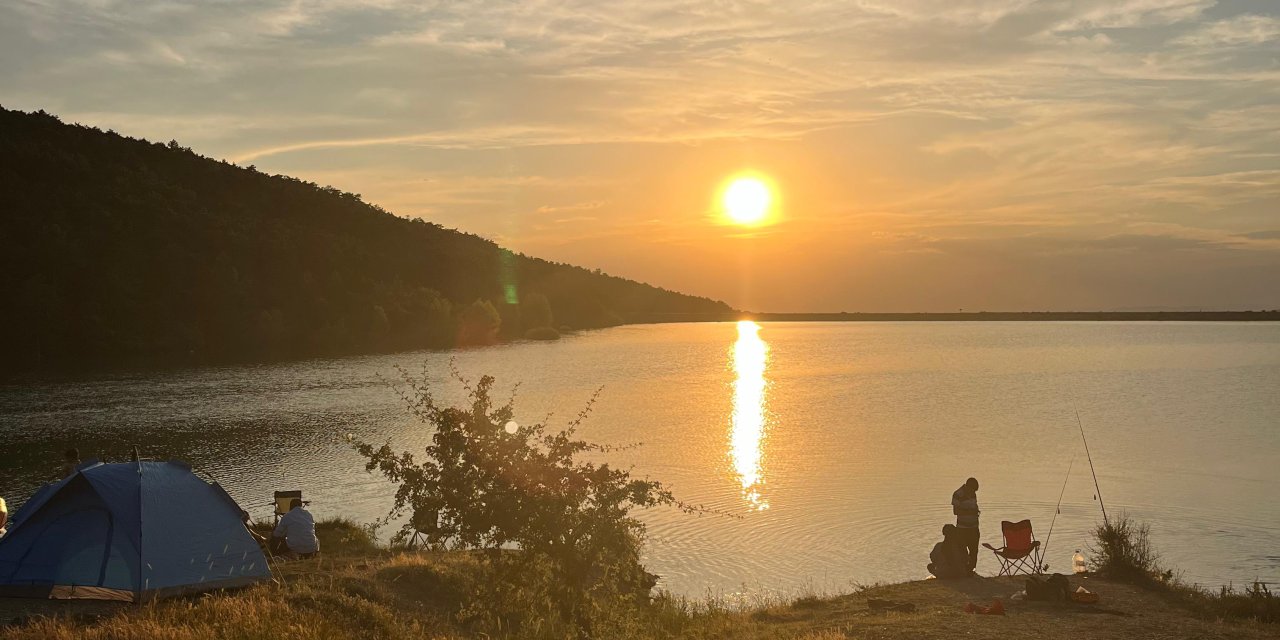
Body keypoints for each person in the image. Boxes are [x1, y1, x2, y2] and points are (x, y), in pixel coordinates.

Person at [951, 477, 981, 572]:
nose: (974, 492)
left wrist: (976, 511)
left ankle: (971, 570)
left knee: (974, 551)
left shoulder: (973, 494)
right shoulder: (958, 494)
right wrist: (970, 511)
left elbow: (973, 507)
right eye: (973, 490)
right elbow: (956, 511)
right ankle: (963, 569)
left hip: (974, 527)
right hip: (962, 528)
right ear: (968, 487)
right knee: (962, 550)